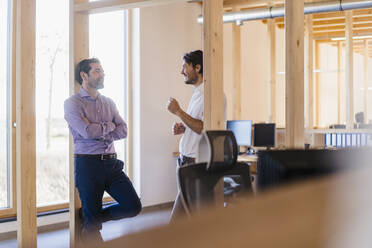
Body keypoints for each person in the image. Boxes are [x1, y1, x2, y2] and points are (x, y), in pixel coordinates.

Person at [64, 58, 141, 243]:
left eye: (102, 70)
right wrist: (109, 126)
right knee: (92, 232)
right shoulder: (72, 103)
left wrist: (100, 129)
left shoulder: (108, 102)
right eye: (97, 71)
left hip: (112, 164)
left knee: (133, 207)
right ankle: (91, 221)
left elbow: (123, 130)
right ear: (84, 75)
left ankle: (92, 217)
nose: (102, 74)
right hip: (88, 165)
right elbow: (87, 132)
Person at [166, 50, 204, 222]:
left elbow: (204, 128)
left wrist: (179, 112)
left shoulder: (210, 96)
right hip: (186, 161)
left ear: (197, 67)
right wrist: (184, 128)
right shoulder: (197, 94)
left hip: (196, 163)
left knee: (182, 222)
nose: (181, 71)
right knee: (182, 221)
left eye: (184, 67)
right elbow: (196, 125)